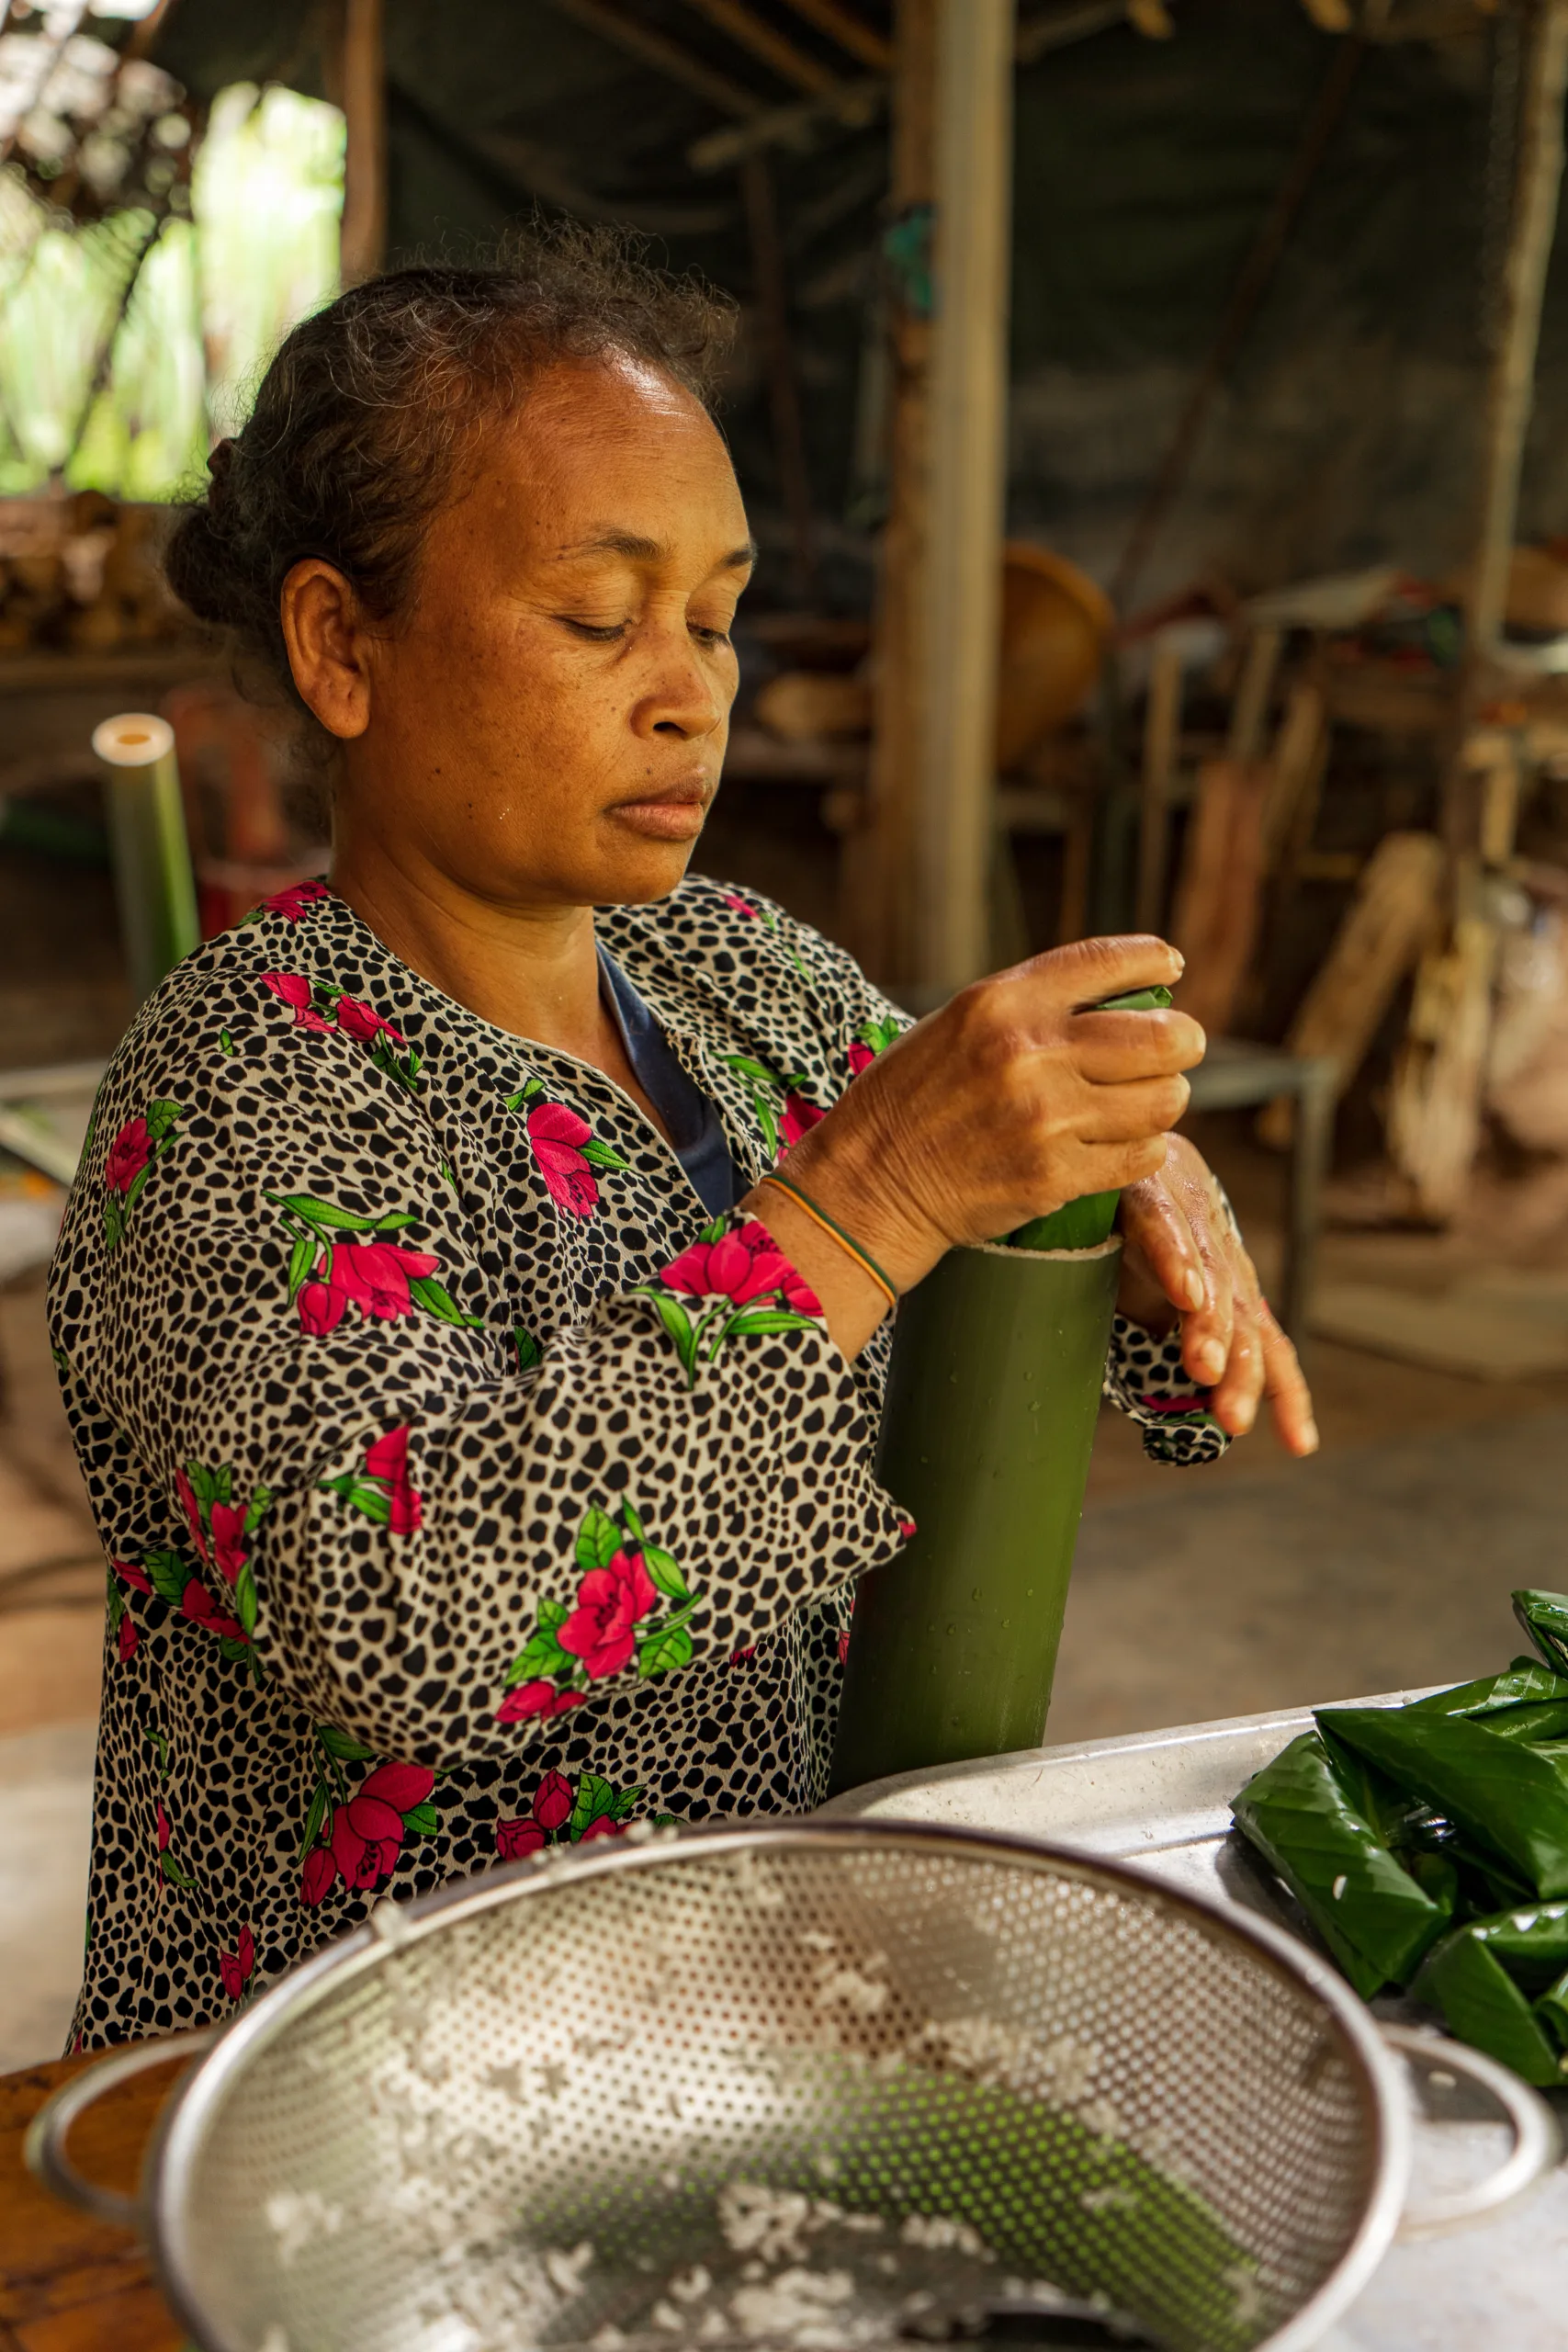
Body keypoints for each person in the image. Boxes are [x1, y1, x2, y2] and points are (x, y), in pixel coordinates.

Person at [51, 232, 1315, 2047]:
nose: (689, 690)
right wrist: (877, 1191)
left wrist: (1116, 1171)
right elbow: (399, 1609)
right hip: (355, 2076)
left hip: (736, 2010)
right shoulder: (242, 1080)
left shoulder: (734, 968)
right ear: (344, 644)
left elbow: (1004, 1231)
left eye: (716, 617)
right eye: (597, 616)